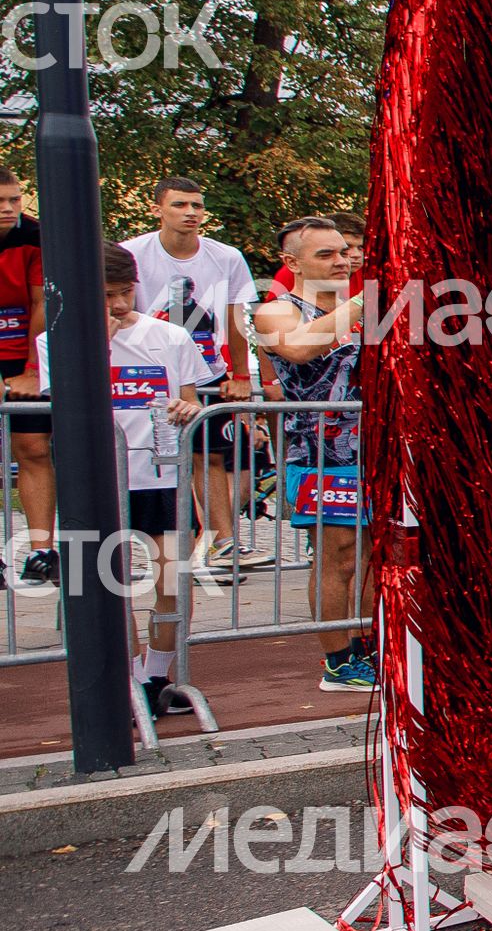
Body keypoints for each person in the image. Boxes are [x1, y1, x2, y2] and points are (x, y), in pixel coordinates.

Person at [48, 246, 214, 714]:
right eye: (106, 296)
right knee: (102, 587)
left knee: (173, 578)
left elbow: (191, 402)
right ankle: (115, 681)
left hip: (160, 477)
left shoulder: (169, 335)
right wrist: (96, 343)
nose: (121, 305)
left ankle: (154, 677)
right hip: (97, 482)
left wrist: (189, 410)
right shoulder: (56, 341)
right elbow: (58, 407)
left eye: (126, 291)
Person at [247, 217, 378, 690]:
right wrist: (364, 301)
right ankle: (337, 662)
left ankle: (370, 650)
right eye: (326, 254)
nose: (342, 261)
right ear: (291, 263)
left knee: (368, 557)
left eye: (344, 251)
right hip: (317, 454)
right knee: (335, 557)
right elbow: (299, 351)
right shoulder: (277, 311)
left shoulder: (357, 308)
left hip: (370, 450)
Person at [124, 175, 266, 579]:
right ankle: (141, 553)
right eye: (180, 205)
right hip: (150, 375)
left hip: (210, 374)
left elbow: (238, 317)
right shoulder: (132, 253)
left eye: (197, 206)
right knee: (150, 459)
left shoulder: (226, 256)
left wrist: (240, 373)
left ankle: (223, 542)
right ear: (157, 210)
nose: (191, 213)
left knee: (210, 455)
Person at [1, 172, 55, 587]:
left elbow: (41, 300)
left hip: (24, 354)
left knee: (33, 448)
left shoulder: (36, 235)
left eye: (15, 200)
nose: (8, 208)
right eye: (1, 201)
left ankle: (41, 552)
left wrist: (32, 368)